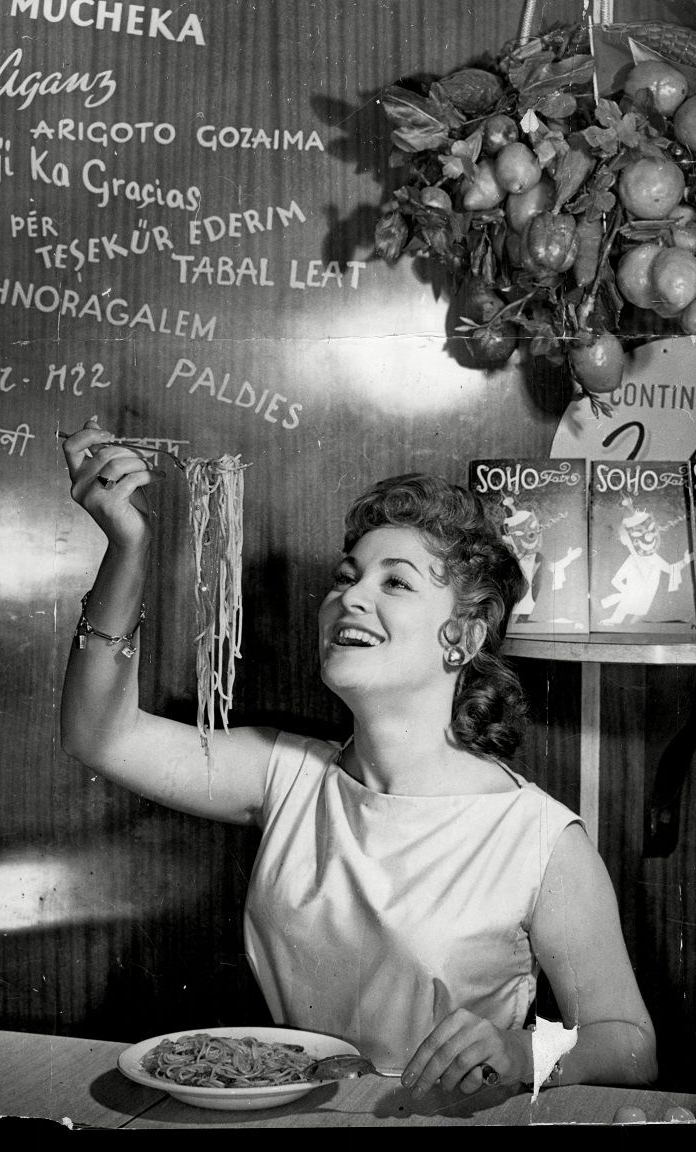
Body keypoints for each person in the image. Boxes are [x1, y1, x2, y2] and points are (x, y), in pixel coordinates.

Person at [61, 419, 657, 1101]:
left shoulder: (540, 838)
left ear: (460, 636)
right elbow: (98, 736)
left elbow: (631, 1047)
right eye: (346, 577)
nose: (351, 595)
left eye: (395, 583)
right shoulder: (286, 774)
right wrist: (127, 545)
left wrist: (522, 1052)